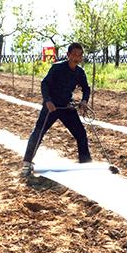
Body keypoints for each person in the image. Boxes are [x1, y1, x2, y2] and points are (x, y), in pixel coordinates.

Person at [21, 42, 92, 178]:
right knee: (38, 133)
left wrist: (84, 101)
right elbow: (44, 83)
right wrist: (47, 100)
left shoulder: (79, 72)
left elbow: (86, 88)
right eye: (74, 55)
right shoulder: (57, 68)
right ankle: (27, 163)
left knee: (81, 134)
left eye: (79, 55)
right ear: (68, 55)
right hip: (51, 107)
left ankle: (85, 164)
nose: (76, 58)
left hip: (66, 107)